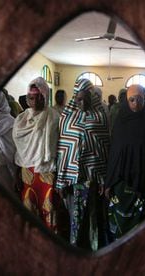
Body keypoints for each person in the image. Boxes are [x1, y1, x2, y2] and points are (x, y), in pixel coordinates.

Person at [56, 78, 110, 250]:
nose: (82, 102)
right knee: (75, 218)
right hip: (73, 181)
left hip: (92, 179)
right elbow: (63, 150)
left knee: (92, 218)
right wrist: (61, 180)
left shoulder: (101, 116)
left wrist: (102, 179)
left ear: (92, 97)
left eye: (86, 98)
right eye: (79, 99)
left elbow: (103, 149)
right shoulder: (66, 117)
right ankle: (76, 250)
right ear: (74, 98)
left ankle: (92, 251)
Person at [104, 84, 145, 241]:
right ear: (126, 100)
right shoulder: (121, 120)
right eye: (132, 99)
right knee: (118, 222)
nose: (136, 103)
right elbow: (114, 153)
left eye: (140, 99)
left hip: (140, 182)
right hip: (120, 182)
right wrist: (109, 182)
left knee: (137, 224)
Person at [12, 77, 60, 231]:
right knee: (29, 207)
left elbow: (59, 145)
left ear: (45, 97)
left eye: (40, 97)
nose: (36, 101)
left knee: (49, 208)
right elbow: (17, 146)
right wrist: (17, 172)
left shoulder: (53, 117)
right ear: (27, 99)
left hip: (47, 171)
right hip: (27, 171)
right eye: (32, 98)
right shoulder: (21, 119)